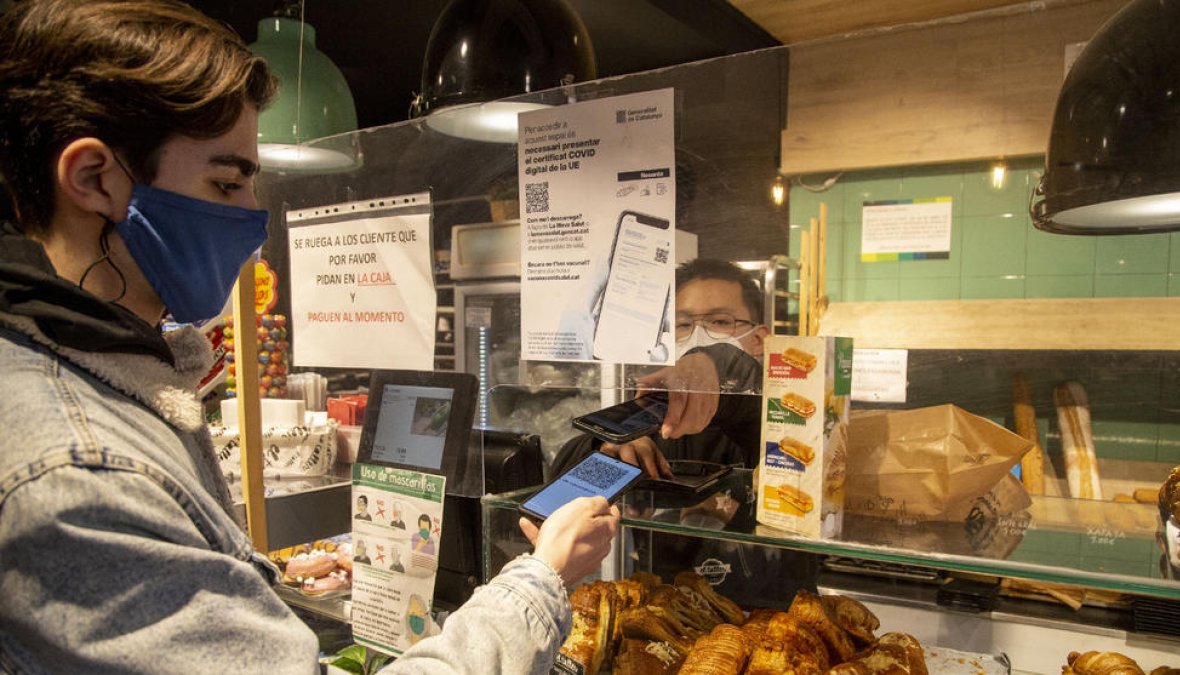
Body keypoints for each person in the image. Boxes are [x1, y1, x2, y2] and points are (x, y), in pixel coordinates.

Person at [0, 2, 618, 674]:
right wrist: (539, 579)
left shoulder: (106, 374)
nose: (256, 221)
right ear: (94, 178)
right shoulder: (82, 474)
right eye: (227, 182)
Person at [549, 258, 822, 605]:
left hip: (776, 632)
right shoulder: (657, 416)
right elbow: (552, 499)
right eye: (682, 324)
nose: (698, 336)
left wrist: (716, 367)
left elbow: (747, 401)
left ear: (759, 339)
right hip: (666, 622)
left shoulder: (787, 414)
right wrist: (603, 450)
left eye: (720, 322)